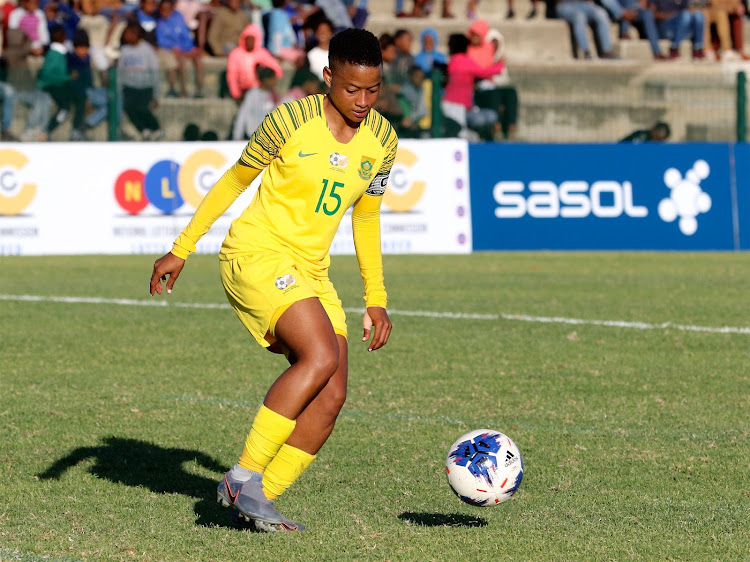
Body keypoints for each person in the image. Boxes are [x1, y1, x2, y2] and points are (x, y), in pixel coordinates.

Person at [149, 27, 396, 533]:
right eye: (352, 89)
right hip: (256, 254)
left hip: (312, 271)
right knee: (320, 356)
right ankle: (242, 476)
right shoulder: (290, 119)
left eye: (373, 90)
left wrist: (376, 298)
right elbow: (236, 179)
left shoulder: (384, 141)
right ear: (328, 77)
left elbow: (366, 218)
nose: (363, 101)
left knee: (332, 395)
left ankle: (256, 502)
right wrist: (182, 246)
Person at [441, 32, 503, 140]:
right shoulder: (464, 61)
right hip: (457, 105)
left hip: (451, 103)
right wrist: (500, 65)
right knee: (460, 135)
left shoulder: (452, 61)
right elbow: (484, 72)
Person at [37, 25, 87, 140]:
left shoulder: (61, 53)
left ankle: (76, 129)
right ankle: (48, 130)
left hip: (60, 84)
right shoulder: (54, 54)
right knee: (65, 106)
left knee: (80, 97)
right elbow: (49, 75)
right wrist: (67, 77)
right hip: (51, 86)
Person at [118, 21, 163, 139]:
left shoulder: (147, 50)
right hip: (129, 87)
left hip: (145, 86)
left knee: (142, 108)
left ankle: (156, 128)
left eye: (128, 33)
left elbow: (154, 72)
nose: (125, 35)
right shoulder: (124, 50)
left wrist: (156, 94)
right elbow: (120, 71)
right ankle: (143, 130)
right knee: (129, 108)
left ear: (136, 34)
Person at [156, 0, 204, 97]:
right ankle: (183, 91)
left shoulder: (178, 17)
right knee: (181, 63)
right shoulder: (159, 22)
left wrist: (189, 49)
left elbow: (185, 35)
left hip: (185, 48)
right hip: (172, 50)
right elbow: (162, 41)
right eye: (163, 10)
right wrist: (174, 48)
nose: (165, 12)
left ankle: (200, 90)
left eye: (167, 9)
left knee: (198, 62)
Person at [226, 23, 282, 101]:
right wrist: (236, 93)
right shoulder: (235, 54)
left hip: (259, 88)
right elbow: (232, 76)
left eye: (252, 39)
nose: (250, 42)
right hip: (243, 89)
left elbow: (276, 69)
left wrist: (263, 72)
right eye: (248, 39)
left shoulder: (261, 53)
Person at [231, 64, 278, 140]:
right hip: (252, 136)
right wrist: (237, 136)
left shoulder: (274, 95)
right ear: (265, 79)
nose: (275, 82)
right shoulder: (252, 94)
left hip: (267, 137)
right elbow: (243, 115)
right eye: (272, 79)